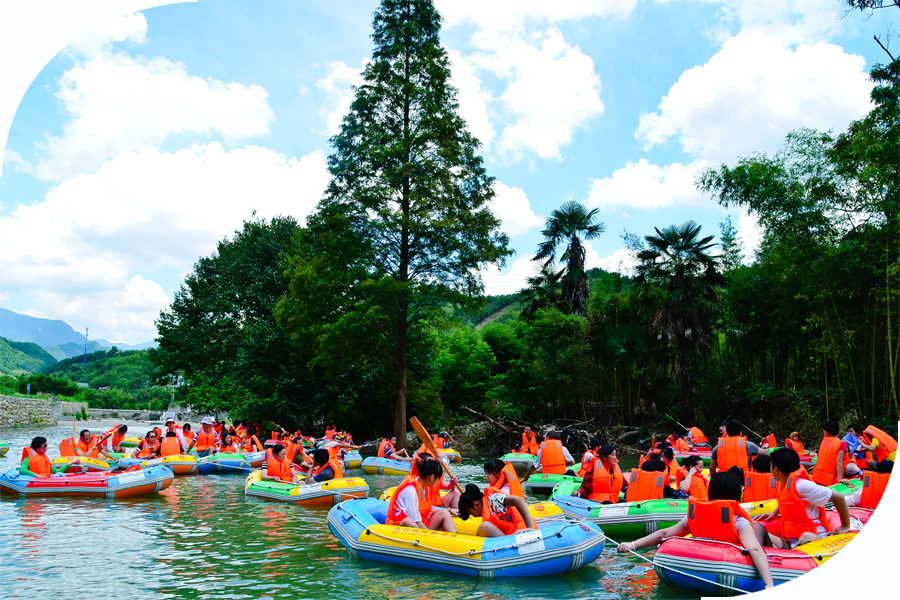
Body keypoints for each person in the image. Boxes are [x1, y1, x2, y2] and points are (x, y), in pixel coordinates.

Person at [616, 472, 775, 590]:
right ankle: (784, 544)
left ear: (710, 493)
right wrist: (769, 584)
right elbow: (754, 548)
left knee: (759, 528)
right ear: (737, 496)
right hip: (728, 566)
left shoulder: (695, 516)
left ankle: (779, 544)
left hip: (701, 564)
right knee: (759, 528)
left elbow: (664, 534)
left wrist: (632, 545)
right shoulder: (739, 521)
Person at [756, 447, 852, 549]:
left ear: (776, 470)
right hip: (790, 541)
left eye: (771, 466)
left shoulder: (802, 486)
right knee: (756, 528)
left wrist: (845, 526)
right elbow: (788, 502)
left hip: (813, 539)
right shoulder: (785, 484)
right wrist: (773, 513)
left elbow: (840, 498)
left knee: (805, 536)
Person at [385, 458, 457, 533]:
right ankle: (429, 540)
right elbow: (416, 520)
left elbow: (426, 511)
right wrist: (430, 534)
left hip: (419, 525)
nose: (439, 481)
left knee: (444, 513)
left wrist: (449, 510)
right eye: (438, 478)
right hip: (398, 527)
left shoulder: (424, 487)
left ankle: (456, 538)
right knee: (408, 521)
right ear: (432, 477)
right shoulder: (411, 490)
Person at [457, 483, 537, 537]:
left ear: (476, 504)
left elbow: (518, 500)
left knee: (485, 526)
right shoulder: (486, 507)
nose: (474, 516)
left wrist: (530, 527)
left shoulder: (493, 499)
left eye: (471, 513)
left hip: (519, 534)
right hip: (511, 534)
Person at [811, 420, 858, 485]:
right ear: (839, 433)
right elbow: (839, 462)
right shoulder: (842, 444)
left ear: (825, 432)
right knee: (852, 467)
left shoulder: (824, 440)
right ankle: (862, 474)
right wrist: (840, 478)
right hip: (829, 480)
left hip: (816, 477)